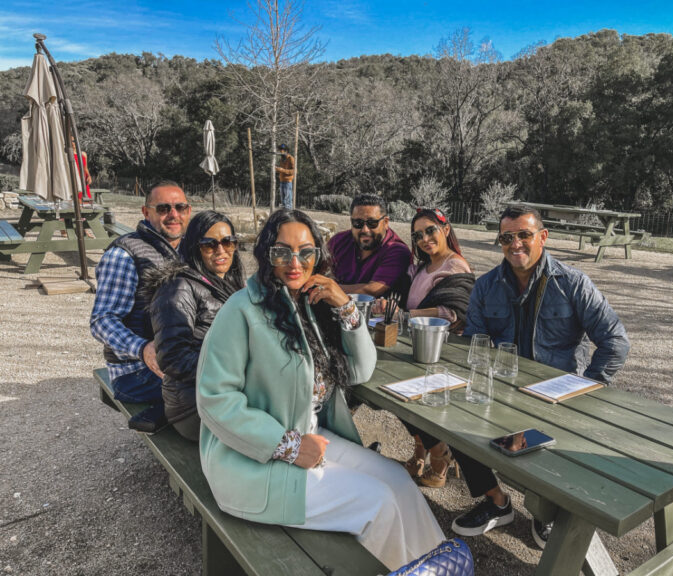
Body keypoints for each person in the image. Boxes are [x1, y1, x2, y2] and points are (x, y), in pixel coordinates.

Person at [195, 209, 445, 570]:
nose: (295, 263)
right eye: (282, 252)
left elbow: (360, 369)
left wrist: (344, 304)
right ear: (267, 254)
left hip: (312, 434)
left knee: (399, 482)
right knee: (378, 504)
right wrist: (289, 446)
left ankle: (437, 567)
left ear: (319, 256)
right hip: (251, 457)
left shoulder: (313, 304)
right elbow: (215, 400)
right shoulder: (241, 311)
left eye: (306, 252)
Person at [451, 204, 630, 547]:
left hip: (555, 398)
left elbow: (616, 342)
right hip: (501, 391)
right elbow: (474, 343)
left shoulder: (573, 283)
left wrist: (587, 387)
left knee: (552, 455)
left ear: (543, 237)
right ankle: (495, 501)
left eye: (524, 235)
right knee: (453, 419)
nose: (515, 243)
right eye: (507, 237)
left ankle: (545, 511)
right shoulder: (486, 286)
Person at [372, 207, 475, 488]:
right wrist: (390, 306)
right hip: (415, 344)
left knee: (412, 400)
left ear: (446, 229)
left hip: (442, 349)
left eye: (430, 230)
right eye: (418, 235)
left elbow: (452, 312)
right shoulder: (420, 267)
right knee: (397, 397)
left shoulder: (455, 266)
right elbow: (403, 299)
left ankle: (439, 455)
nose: (424, 238)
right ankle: (422, 451)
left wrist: (406, 316)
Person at [144, 211, 245, 441]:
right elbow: (173, 358)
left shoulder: (229, 282)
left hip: (224, 393)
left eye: (228, 242)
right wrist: (236, 370)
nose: (221, 251)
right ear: (194, 246)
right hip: (192, 406)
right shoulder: (177, 288)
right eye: (210, 245)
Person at [90, 180, 192, 403]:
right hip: (135, 371)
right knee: (219, 393)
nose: (173, 214)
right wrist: (143, 349)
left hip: (179, 358)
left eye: (180, 208)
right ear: (146, 213)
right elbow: (102, 320)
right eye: (163, 208)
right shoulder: (123, 255)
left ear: (188, 211)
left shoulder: (189, 250)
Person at [328, 194, 411, 297]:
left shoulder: (397, 251)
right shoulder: (339, 241)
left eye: (372, 223)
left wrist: (329, 288)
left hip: (375, 311)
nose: (365, 230)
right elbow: (320, 269)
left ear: (385, 222)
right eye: (358, 223)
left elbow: (372, 290)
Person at [71, 137, 92, 202]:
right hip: (74, 178)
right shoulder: (67, 155)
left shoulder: (83, 154)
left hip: (83, 179)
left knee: (86, 201)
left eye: (74, 141)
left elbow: (85, 168)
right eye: (71, 141)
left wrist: (89, 176)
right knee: (76, 200)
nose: (73, 143)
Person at [275, 143, 295, 209]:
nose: (280, 152)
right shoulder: (281, 159)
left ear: (286, 151)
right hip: (281, 181)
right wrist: (277, 169)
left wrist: (282, 170)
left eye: (282, 150)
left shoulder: (291, 159)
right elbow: (281, 170)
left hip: (288, 182)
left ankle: (289, 214)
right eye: (280, 150)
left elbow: (293, 171)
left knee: (288, 201)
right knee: (283, 201)